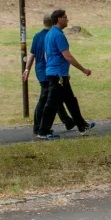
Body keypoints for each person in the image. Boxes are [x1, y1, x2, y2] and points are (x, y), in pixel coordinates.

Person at [36, 9, 95, 140]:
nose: (67, 19)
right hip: (58, 76)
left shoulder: (49, 34)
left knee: (70, 101)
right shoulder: (58, 35)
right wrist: (83, 69)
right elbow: (67, 56)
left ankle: (82, 125)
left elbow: (46, 55)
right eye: (65, 17)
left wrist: (52, 65)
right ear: (58, 19)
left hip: (56, 73)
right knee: (52, 104)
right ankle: (43, 131)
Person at [24, 13, 77, 137]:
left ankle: (68, 121)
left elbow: (32, 54)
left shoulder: (37, 36)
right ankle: (38, 127)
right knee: (46, 98)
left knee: (54, 97)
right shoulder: (50, 36)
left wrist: (27, 69)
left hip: (40, 70)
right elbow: (47, 55)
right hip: (48, 71)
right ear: (54, 22)